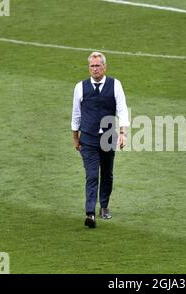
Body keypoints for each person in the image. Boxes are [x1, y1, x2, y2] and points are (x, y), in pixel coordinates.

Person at [71, 52, 130, 227]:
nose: (95, 69)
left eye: (98, 66)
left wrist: (122, 133)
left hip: (108, 137)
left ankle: (104, 206)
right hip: (88, 139)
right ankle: (90, 213)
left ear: (104, 67)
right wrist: (75, 137)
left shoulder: (115, 85)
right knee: (91, 175)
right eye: (92, 66)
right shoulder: (80, 87)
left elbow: (122, 109)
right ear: (88, 68)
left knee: (107, 173)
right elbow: (76, 114)